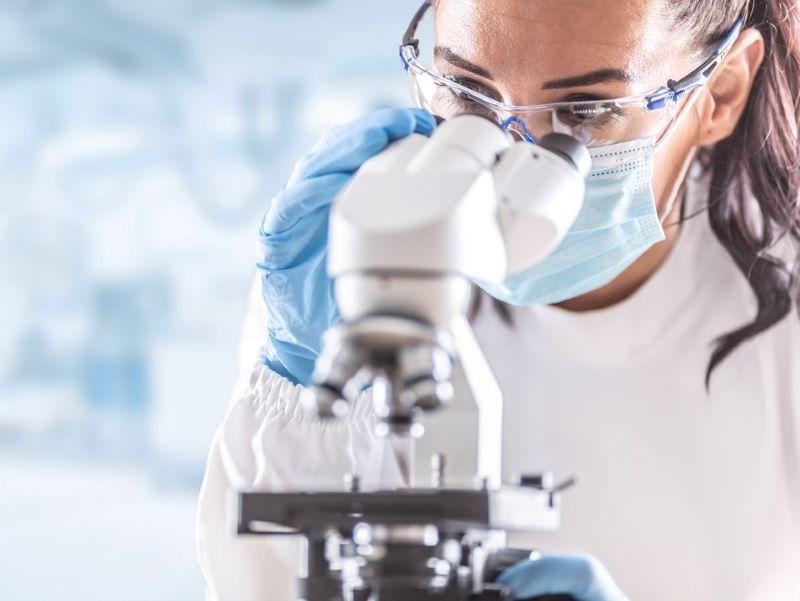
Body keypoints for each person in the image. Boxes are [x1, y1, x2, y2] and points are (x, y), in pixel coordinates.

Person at [196, 0, 800, 599]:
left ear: (719, 93)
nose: (514, 154)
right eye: (468, 96)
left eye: (585, 109)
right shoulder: (352, 274)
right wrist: (295, 386)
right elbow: (264, 584)